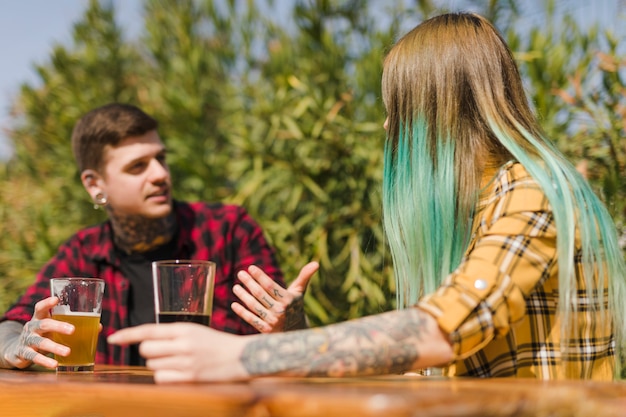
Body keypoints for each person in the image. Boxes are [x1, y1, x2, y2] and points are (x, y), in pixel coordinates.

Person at [108, 12, 626, 382]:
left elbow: (442, 331)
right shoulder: (492, 205)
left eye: (394, 109)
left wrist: (245, 358)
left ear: (437, 113)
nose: (385, 126)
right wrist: (296, 337)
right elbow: (432, 368)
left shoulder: (533, 190)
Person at [0, 103, 316, 370]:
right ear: (95, 185)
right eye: (138, 166)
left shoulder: (229, 229)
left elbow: (287, 341)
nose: (160, 174)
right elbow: (11, 325)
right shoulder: (84, 251)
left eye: (160, 159)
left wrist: (292, 327)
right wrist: (17, 343)